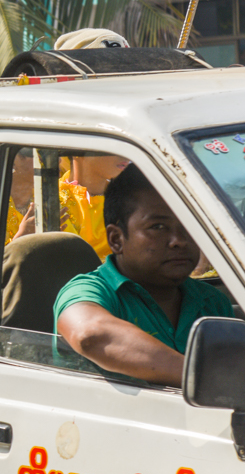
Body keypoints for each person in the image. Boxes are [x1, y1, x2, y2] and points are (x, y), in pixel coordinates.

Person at [53, 164, 233, 385]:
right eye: (158, 227)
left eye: (190, 225)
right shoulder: (91, 291)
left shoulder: (211, 302)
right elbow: (90, 334)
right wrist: (209, 383)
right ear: (116, 239)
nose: (179, 240)